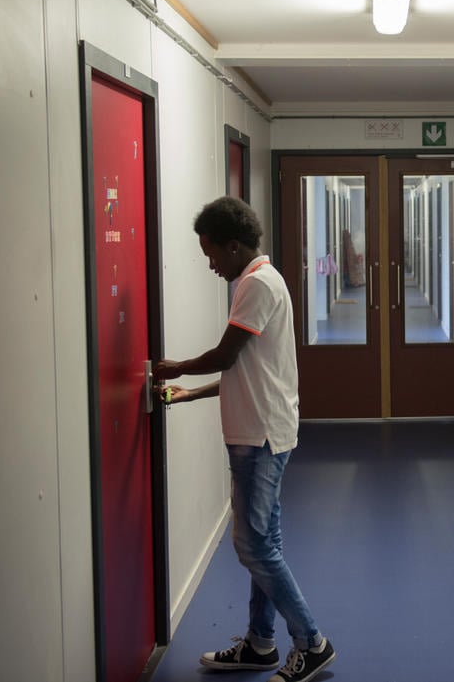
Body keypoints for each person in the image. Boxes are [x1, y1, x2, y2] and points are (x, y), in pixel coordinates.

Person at [154, 196, 335, 682]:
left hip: (260, 438)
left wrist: (174, 365)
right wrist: (189, 393)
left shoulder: (255, 284)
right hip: (260, 430)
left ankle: (311, 642)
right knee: (264, 540)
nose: (211, 263)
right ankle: (260, 644)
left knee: (253, 546)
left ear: (234, 246)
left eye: (212, 253)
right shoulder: (259, 281)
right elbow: (247, 371)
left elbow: (225, 356)